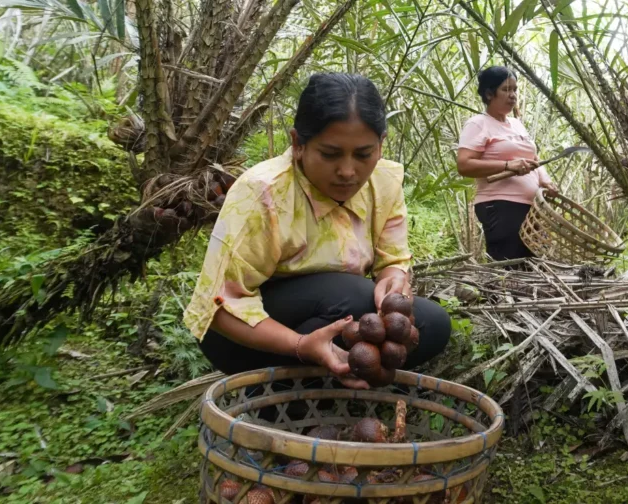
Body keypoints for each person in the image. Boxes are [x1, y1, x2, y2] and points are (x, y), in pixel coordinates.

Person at [183, 73, 451, 388]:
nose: (348, 171)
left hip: (328, 316)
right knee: (352, 296)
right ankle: (274, 396)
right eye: (330, 154)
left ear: (381, 145)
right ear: (298, 144)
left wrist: (394, 284)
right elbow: (218, 307)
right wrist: (300, 344)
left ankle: (324, 394)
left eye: (364, 154)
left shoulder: (384, 183)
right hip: (242, 339)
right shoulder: (264, 193)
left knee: (431, 324)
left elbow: (393, 261)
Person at [456, 66, 557, 261]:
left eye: (514, 89)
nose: (512, 96)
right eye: (505, 89)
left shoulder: (517, 124)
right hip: (500, 206)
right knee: (509, 268)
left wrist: (545, 180)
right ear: (488, 93)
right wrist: (507, 166)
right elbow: (464, 165)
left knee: (534, 267)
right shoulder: (478, 124)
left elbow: (533, 159)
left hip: (532, 207)